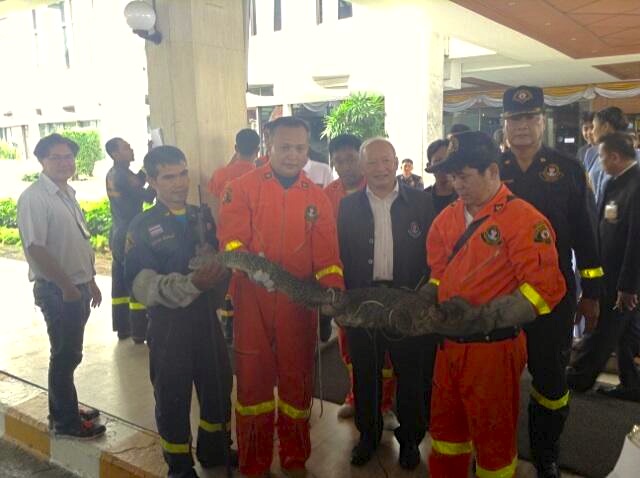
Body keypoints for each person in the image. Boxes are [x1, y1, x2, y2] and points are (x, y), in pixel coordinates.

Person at [426, 131, 566, 478]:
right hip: (448, 349)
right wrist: (426, 300)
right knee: (445, 435)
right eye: (452, 175)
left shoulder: (524, 220)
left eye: (464, 175)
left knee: (494, 442)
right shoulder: (447, 219)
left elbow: (543, 289)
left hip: (494, 350)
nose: (456, 184)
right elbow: (438, 272)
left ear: (492, 171)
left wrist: (485, 317)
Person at [217, 116, 344, 478]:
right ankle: (253, 462)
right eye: (285, 147)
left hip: (298, 304)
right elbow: (231, 240)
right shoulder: (240, 188)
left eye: (300, 148)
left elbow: (327, 257)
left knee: (297, 380)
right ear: (268, 144)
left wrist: (331, 292)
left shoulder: (317, 197)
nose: (293, 155)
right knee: (253, 384)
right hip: (251, 297)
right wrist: (250, 267)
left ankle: (294, 455)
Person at [499, 85, 603, 478]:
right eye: (514, 119)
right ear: (504, 125)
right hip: (499, 294)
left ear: (542, 121)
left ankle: (546, 453)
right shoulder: (492, 170)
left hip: (553, 296)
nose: (522, 127)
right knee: (497, 378)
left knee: (550, 379)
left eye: (529, 118)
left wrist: (592, 293)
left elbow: (586, 238)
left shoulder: (569, 170)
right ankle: (496, 450)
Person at [124, 146, 235, 478]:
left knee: (218, 386)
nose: (179, 183)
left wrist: (217, 271)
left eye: (183, 173)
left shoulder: (202, 216)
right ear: (152, 181)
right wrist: (193, 284)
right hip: (169, 326)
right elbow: (143, 286)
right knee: (173, 394)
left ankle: (214, 450)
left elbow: (219, 267)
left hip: (205, 320)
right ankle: (180, 464)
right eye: (169, 176)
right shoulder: (142, 226)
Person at [338, 137, 436, 469]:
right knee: (366, 374)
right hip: (362, 305)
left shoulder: (422, 203)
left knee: (411, 374)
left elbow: (435, 256)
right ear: (362, 167)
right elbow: (339, 257)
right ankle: (368, 436)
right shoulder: (347, 207)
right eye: (372, 162)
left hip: (407, 304)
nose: (380, 168)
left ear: (396, 163)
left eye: (386, 161)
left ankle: (410, 440)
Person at [17, 133, 105, 439]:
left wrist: (90, 280)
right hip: (58, 290)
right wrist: (68, 286)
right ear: (42, 160)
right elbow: (36, 249)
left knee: (70, 353)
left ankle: (66, 406)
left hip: (76, 286)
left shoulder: (67, 193)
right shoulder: (35, 197)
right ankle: (64, 422)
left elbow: (78, 239)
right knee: (65, 354)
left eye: (68, 156)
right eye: (56, 157)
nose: (63, 162)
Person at [323, 134, 396, 420]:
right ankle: (356, 397)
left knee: (385, 354)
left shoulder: (380, 189)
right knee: (350, 349)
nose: (345, 165)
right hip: (346, 287)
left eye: (350, 158)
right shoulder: (327, 195)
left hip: (382, 286)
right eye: (338, 160)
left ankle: (385, 405)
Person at [567, 132, 640, 402]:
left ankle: (580, 376)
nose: (599, 162)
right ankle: (632, 384)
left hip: (622, 278)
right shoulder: (615, 183)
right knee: (627, 333)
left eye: (601, 156)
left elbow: (636, 240)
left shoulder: (636, 184)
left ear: (615, 157)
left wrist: (628, 286)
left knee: (605, 328)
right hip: (609, 272)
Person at [105, 137, 155, 342]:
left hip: (117, 231)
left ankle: (123, 327)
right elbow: (147, 196)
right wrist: (156, 177)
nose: (131, 148)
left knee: (119, 281)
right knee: (135, 276)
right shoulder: (121, 175)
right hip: (129, 234)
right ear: (115, 154)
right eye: (126, 147)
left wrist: (146, 165)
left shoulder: (117, 173)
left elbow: (138, 180)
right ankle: (139, 330)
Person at [586, 107, 638, 204]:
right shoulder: (591, 154)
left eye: (593, 126)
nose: (591, 132)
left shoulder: (635, 158)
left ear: (605, 127)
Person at [208, 128, 260, 220]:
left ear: (236, 148)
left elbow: (213, 206)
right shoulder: (261, 178)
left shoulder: (219, 174)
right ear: (257, 150)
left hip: (225, 231)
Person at [424, 139, 457, 214]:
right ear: (429, 166)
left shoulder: (464, 196)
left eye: (448, 160)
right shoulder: (423, 198)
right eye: (438, 161)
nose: (443, 166)